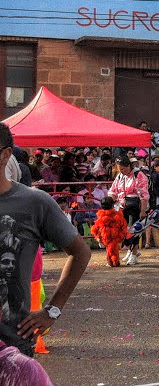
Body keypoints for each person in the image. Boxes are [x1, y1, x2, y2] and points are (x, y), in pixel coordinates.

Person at [0, 122, 91, 357]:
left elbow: (81, 252)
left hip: (12, 345)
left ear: (5, 155)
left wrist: (52, 310)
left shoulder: (34, 203)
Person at [108, 156, 149, 266]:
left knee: (133, 231)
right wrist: (109, 200)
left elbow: (144, 195)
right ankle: (130, 250)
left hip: (135, 207)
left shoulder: (138, 175)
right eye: (120, 169)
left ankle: (134, 254)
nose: (121, 171)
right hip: (122, 206)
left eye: (123, 169)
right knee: (124, 231)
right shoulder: (120, 176)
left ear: (129, 166)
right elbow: (113, 190)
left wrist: (143, 210)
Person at [90, 197, 128, 268]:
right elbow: (122, 225)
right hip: (115, 234)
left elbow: (96, 227)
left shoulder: (101, 215)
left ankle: (111, 261)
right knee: (113, 248)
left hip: (105, 235)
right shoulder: (117, 214)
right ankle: (114, 261)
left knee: (110, 248)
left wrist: (98, 236)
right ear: (112, 205)